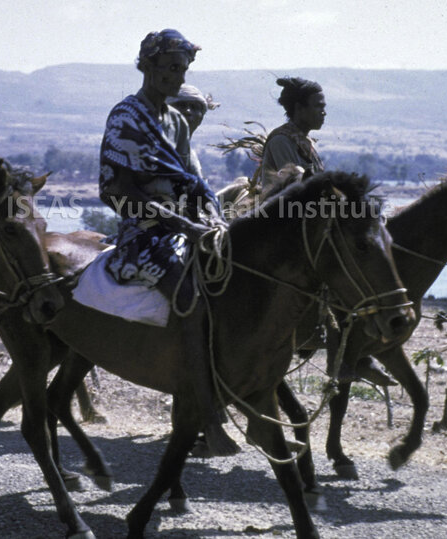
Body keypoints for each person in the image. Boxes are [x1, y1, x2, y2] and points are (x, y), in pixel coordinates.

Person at [99, 28, 238, 456]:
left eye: (183, 70)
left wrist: (213, 218)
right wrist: (178, 222)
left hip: (187, 223)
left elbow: (194, 182)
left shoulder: (176, 121)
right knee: (190, 297)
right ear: (148, 66)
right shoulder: (126, 117)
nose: (177, 77)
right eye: (170, 68)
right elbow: (118, 190)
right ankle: (208, 416)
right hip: (146, 231)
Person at [258, 76, 394, 387]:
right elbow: (298, 191)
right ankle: (343, 358)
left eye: (324, 107)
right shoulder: (282, 141)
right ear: (299, 108)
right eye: (318, 106)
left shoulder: (304, 141)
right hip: (285, 224)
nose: (323, 112)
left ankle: (354, 354)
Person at [166, 83, 219, 177]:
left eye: (194, 107)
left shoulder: (190, 155)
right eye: (181, 105)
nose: (188, 111)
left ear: (201, 118)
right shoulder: (152, 147)